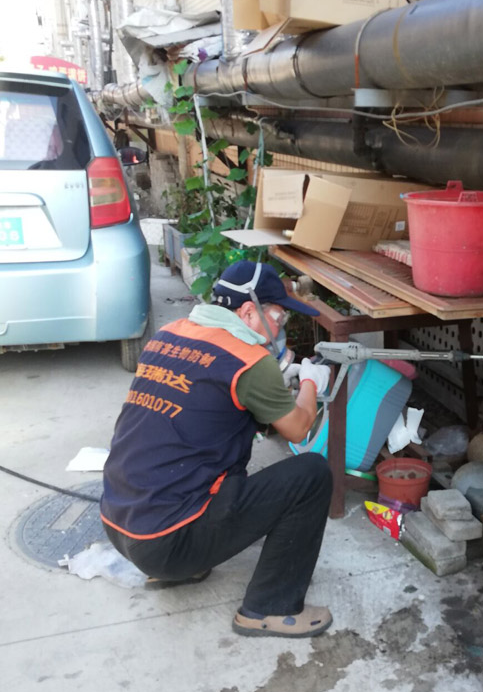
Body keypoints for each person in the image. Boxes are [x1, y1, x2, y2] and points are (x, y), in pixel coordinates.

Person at [101, 260, 334, 639]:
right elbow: (298, 428)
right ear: (248, 312)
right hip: (166, 543)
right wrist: (310, 382)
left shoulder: (168, 334)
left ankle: (185, 565)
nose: (280, 329)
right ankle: (271, 607)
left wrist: (274, 384)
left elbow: (207, 400)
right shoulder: (250, 362)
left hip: (119, 524)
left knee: (222, 441)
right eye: (279, 317)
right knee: (311, 474)